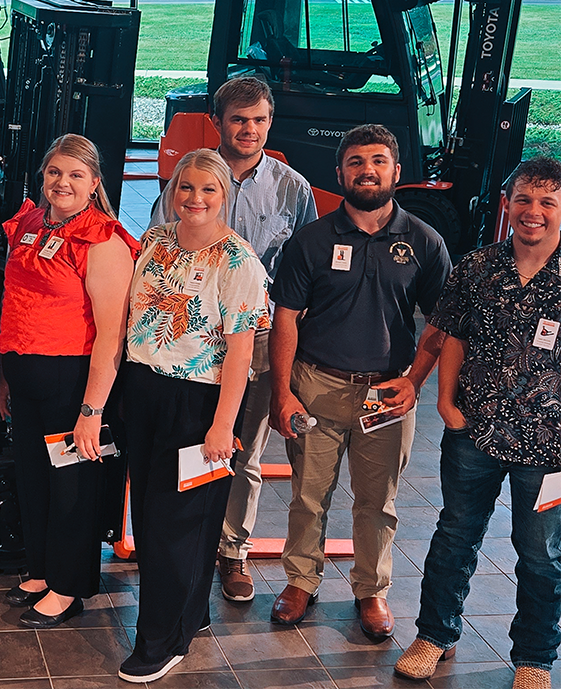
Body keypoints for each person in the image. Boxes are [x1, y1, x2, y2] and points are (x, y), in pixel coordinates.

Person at [268, 123, 451, 640]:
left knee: (378, 503)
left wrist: (417, 380)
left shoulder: (424, 242)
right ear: (340, 172)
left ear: (396, 170)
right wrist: (282, 392)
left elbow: (442, 321)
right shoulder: (311, 240)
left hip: (387, 395)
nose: (366, 170)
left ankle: (372, 591)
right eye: (355, 162)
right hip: (317, 385)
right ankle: (301, 582)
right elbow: (286, 318)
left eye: (377, 161)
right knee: (308, 496)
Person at [395, 157, 561, 689]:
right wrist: (444, 402)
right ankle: (434, 636)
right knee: (454, 536)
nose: (532, 212)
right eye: (524, 200)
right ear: (507, 205)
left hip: (550, 445)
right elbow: (450, 334)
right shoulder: (477, 266)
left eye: (547, 203)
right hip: (475, 431)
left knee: (540, 554)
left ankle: (534, 657)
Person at [150, 77, 317, 601]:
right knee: (189, 443)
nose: (249, 129)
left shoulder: (293, 188)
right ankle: (185, 543)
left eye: (260, 119)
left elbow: (304, 270)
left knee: (242, 449)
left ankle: (232, 551)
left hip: (260, 340)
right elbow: (157, 251)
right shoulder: (189, 178)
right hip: (189, 341)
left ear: (270, 122)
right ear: (218, 121)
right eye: (239, 119)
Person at [118, 149, 269, 683]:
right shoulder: (155, 241)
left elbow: (241, 354)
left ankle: (160, 641)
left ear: (226, 195)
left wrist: (223, 425)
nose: (195, 199)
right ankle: (190, 614)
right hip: (143, 387)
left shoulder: (239, 262)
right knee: (160, 516)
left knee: (172, 526)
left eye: (208, 189)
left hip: (199, 400)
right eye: (186, 187)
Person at [0, 134, 137, 628]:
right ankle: (41, 568)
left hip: (71, 382)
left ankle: (69, 585)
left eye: (76, 175)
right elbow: (15, 299)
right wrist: (7, 378)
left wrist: (92, 411)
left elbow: (111, 336)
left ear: (94, 183)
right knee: (34, 479)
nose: (63, 182)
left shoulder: (101, 238)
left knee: (72, 485)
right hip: (27, 375)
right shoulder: (31, 222)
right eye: (55, 172)